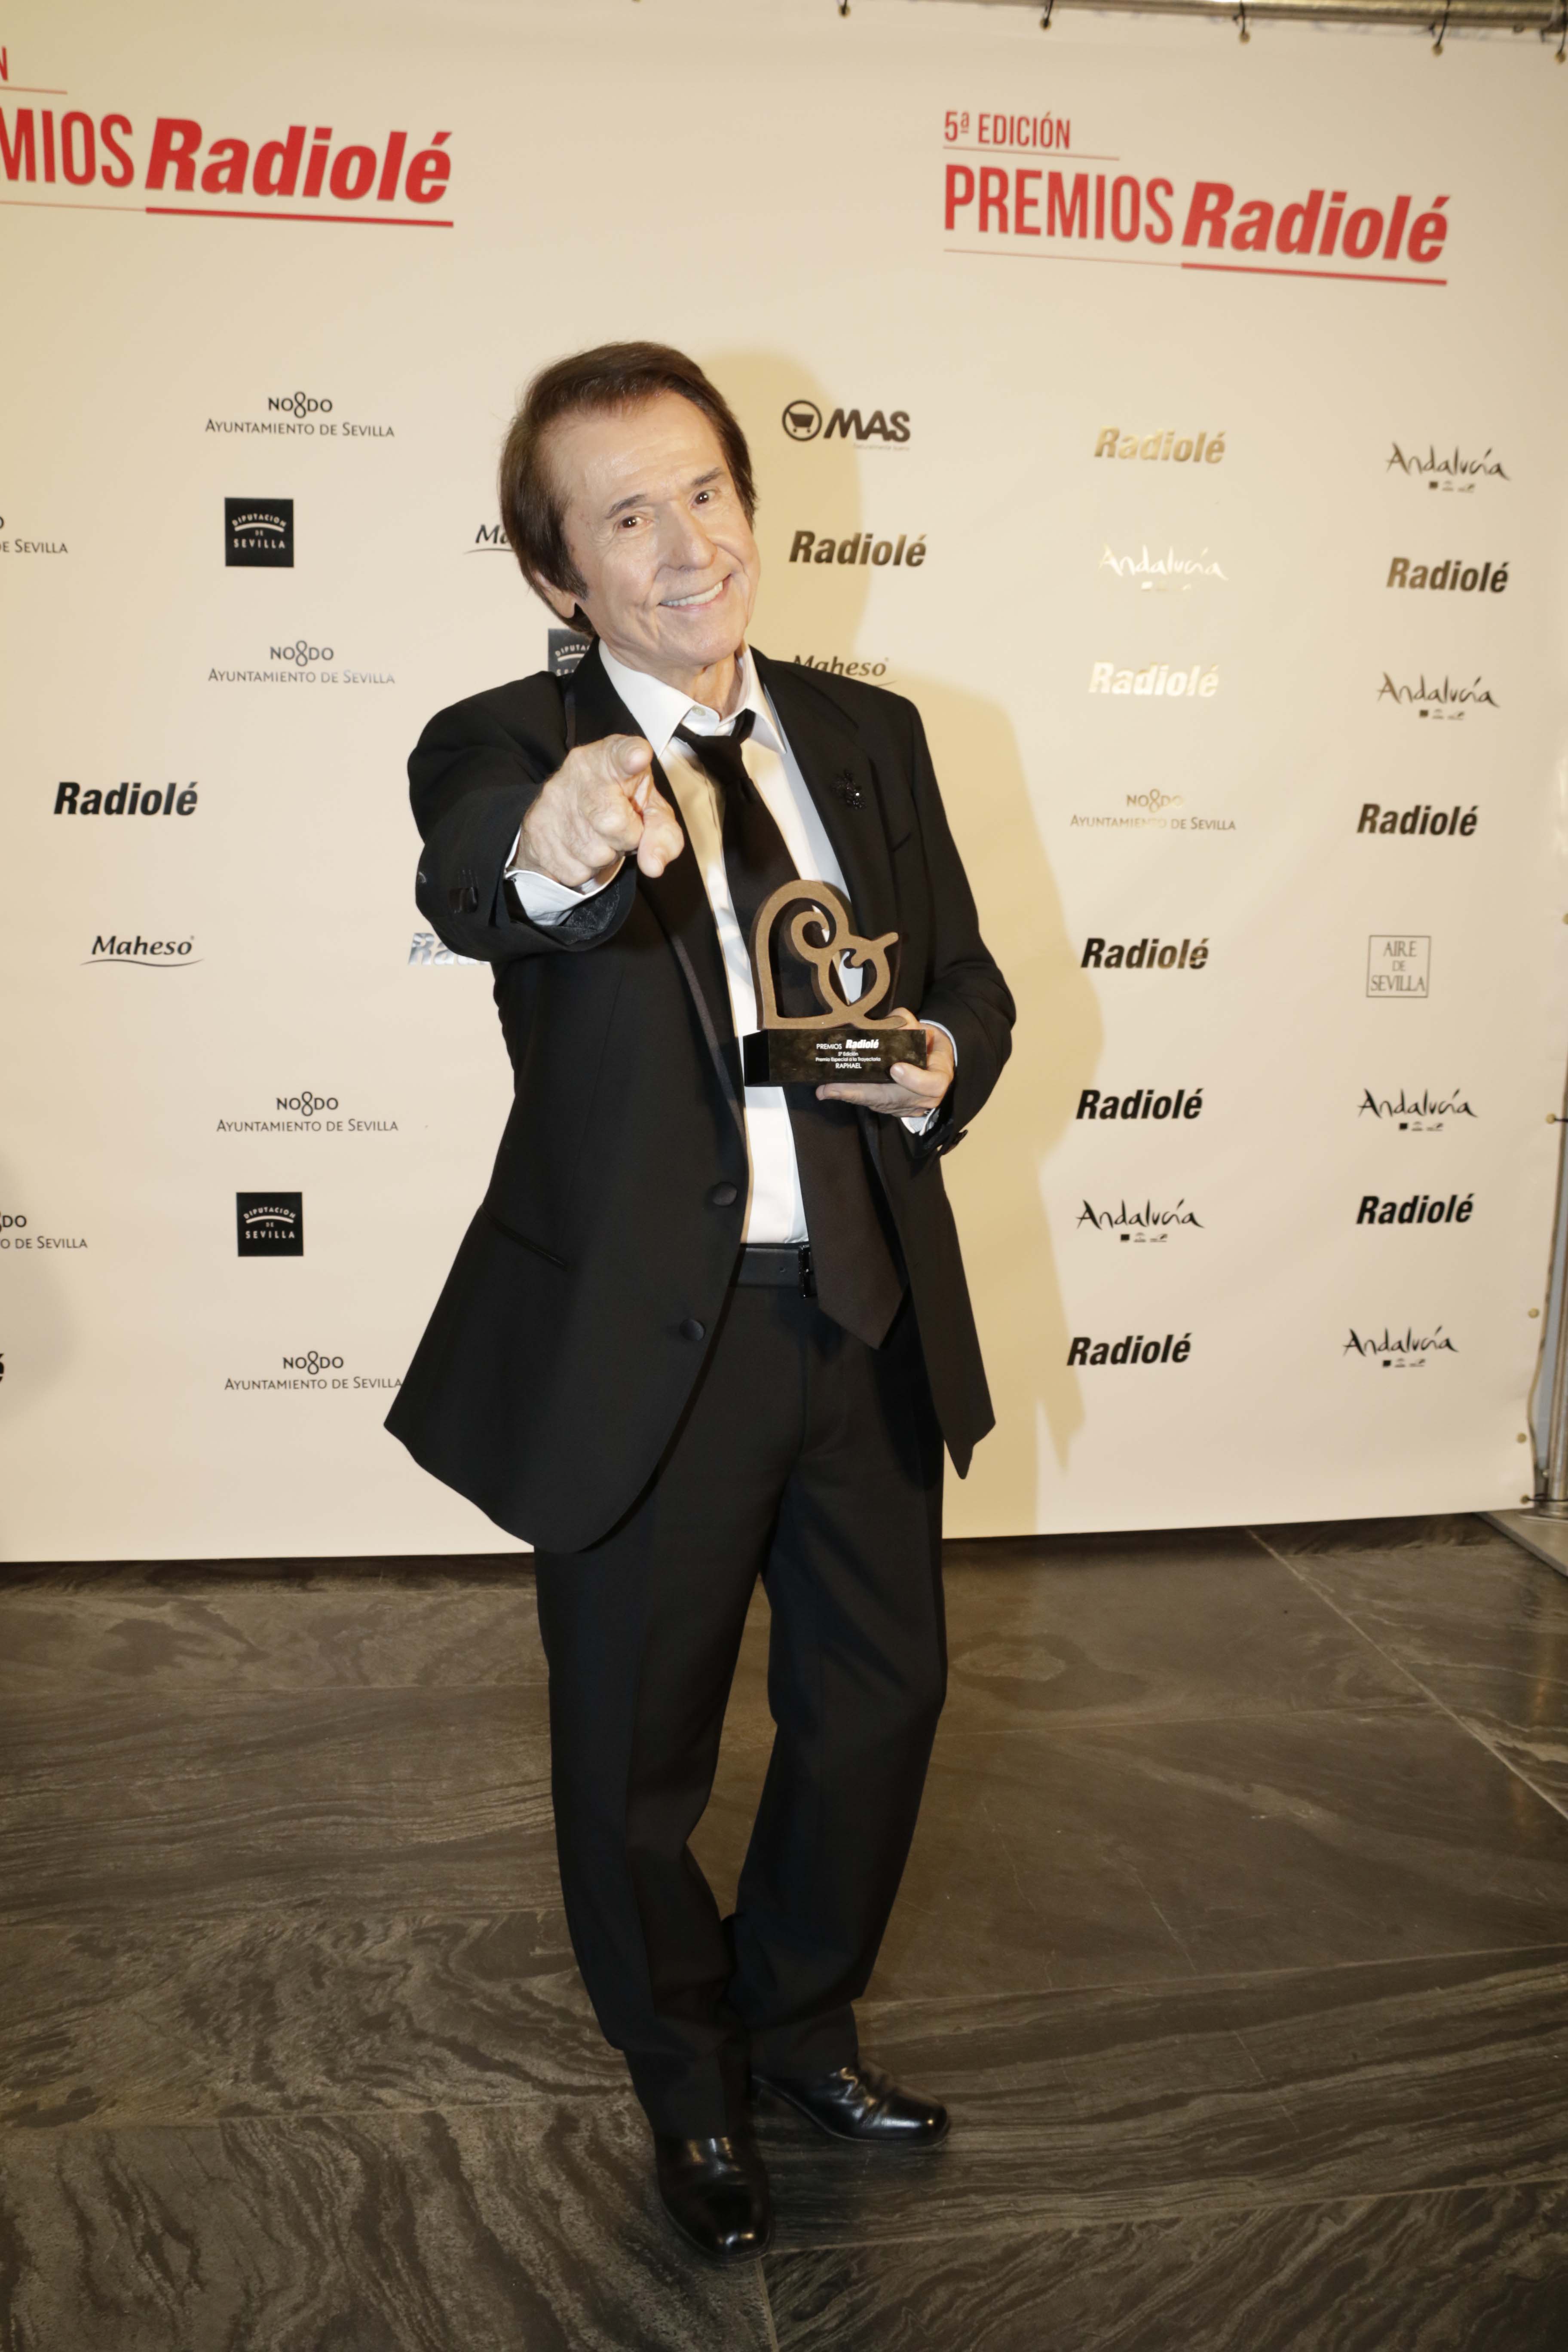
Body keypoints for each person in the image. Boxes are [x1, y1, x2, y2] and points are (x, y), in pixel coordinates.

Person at [388, 343, 1014, 2263]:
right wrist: (565, 837)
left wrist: (939, 1061)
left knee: (879, 1710)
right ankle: (688, 2083)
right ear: (557, 572)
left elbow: (969, 982)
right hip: (654, 1344)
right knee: (635, 1759)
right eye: (627, 516)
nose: (686, 545)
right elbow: (491, 876)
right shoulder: (505, 740)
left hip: (865, 1306)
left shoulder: (871, 735)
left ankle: (801, 2025)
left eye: (706, 494)